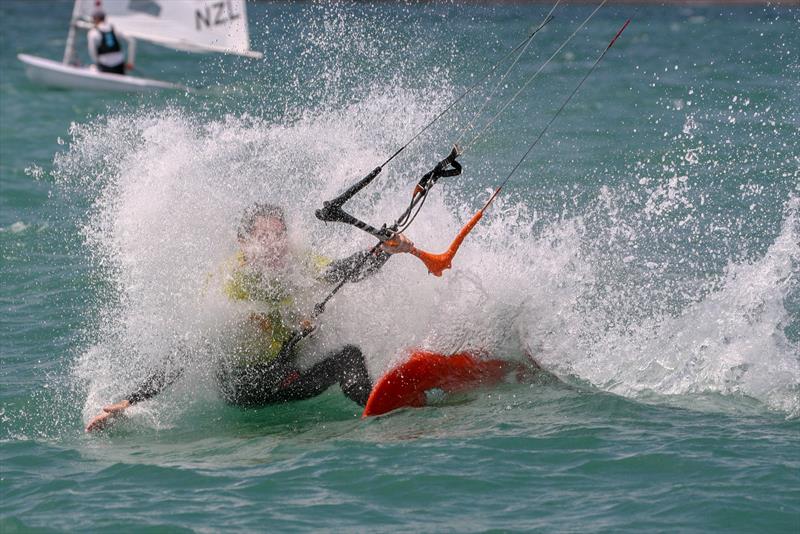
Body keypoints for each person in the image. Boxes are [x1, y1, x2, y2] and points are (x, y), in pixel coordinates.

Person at [85, 203, 414, 432]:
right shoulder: (230, 284)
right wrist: (131, 399)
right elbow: (187, 350)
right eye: (263, 238)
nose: (275, 246)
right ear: (244, 243)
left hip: (286, 376)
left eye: (280, 236)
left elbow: (343, 271)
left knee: (349, 357)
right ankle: (383, 417)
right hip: (245, 390)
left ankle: (380, 414)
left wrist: (384, 250)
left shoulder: (295, 265)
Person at [87, 9, 132, 75]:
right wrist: (130, 62)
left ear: (95, 19)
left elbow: (93, 53)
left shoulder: (93, 33)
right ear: (104, 18)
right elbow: (131, 41)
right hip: (119, 66)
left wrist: (97, 63)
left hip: (105, 67)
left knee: (92, 67)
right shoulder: (114, 29)